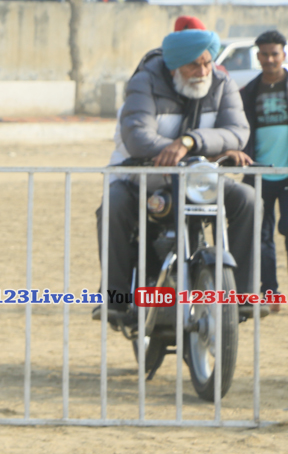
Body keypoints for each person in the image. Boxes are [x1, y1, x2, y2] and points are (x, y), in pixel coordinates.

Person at [97, 28, 256, 326]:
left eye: (207, 63)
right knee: (113, 206)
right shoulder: (144, 82)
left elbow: (237, 132)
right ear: (174, 66)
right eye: (193, 65)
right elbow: (137, 136)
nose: (203, 71)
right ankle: (114, 298)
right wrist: (197, 149)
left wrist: (189, 142)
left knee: (248, 200)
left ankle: (242, 294)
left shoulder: (222, 82)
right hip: (145, 177)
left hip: (199, 179)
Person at [240, 30, 288, 308]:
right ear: (258, 56)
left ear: (283, 55)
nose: (270, 59)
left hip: (287, 174)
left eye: (275, 54)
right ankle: (271, 294)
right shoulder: (248, 92)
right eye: (265, 54)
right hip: (258, 175)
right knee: (262, 236)